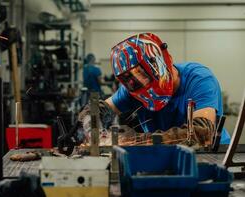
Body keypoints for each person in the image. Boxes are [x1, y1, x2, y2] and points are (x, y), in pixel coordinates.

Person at [80, 33, 230, 146]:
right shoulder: (132, 90)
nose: (140, 82)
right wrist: (94, 132)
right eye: (132, 80)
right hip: (163, 154)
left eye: (142, 74)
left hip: (212, 154)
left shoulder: (199, 79)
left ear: (160, 62)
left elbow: (202, 133)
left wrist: (136, 140)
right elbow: (97, 110)